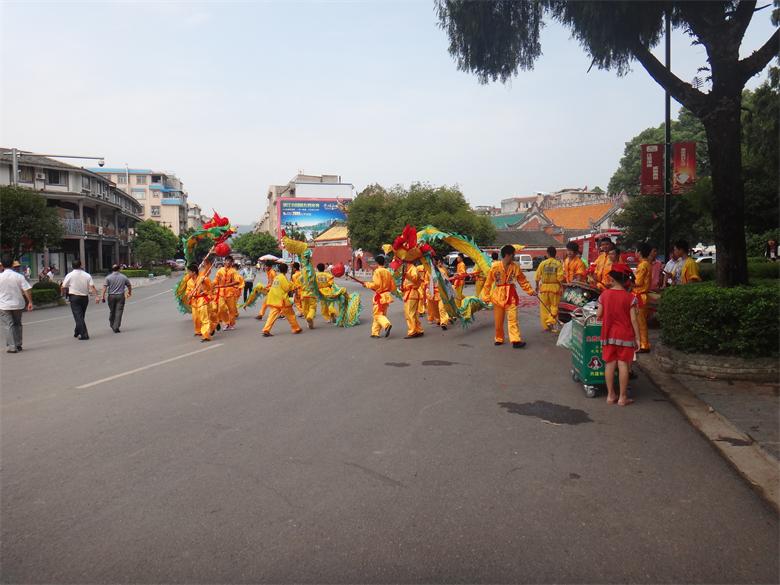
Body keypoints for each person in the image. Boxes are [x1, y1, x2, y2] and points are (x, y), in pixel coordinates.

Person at [596, 263, 640, 406]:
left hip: (608, 334)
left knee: (609, 364)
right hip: (625, 335)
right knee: (623, 365)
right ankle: (622, 397)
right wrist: (638, 338)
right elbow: (634, 319)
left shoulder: (604, 295)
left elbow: (599, 315)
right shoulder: (630, 298)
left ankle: (610, 395)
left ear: (613, 279)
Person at [483, 244, 536, 348]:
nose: (514, 257)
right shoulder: (495, 267)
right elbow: (488, 283)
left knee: (513, 319)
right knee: (498, 320)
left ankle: (515, 340)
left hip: (511, 295)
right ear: (507, 255)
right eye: (513, 255)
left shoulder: (515, 267)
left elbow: (522, 280)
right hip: (498, 296)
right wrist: (486, 296)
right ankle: (499, 338)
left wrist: (530, 291)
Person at [0, 260, 33, 353]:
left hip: (3, 305)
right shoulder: (19, 276)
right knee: (18, 324)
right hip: (18, 304)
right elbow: (26, 289)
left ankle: (12, 347)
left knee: (8, 325)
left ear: (2, 265)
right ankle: (18, 344)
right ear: (12, 265)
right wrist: (30, 302)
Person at [61, 260, 98, 341]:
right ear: (81, 265)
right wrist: (96, 296)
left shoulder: (69, 275)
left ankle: (84, 334)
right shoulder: (87, 275)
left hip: (74, 297)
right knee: (81, 315)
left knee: (78, 316)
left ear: (72, 266)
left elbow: (63, 286)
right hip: (84, 297)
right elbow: (92, 286)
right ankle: (77, 331)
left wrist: (63, 295)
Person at [261, 263, 302, 337]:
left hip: (274, 299)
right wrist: (293, 287)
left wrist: (292, 285)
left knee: (272, 315)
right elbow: (286, 288)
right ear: (286, 270)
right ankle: (296, 328)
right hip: (282, 300)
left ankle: (266, 330)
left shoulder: (277, 277)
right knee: (290, 314)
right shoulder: (283, 277)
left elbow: (287, 284)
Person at [362, 254, 395, 338]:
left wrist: (367, 284)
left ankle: (386, 324)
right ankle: (375, 332)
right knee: (381, 314)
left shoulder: (377, 271)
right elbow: (393, 286)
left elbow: (376, 284)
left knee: (377, 315)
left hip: (379, 296)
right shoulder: (388, 271)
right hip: (386, 295)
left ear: (377, 263)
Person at [535, 246, 564, 331]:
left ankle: (546, 326)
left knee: (544, 307)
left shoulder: (543, 263)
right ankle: (551, 320)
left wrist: (537, 287)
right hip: (554, 288)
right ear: (555, 254)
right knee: (554, 306)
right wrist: (562, 287)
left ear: (547, 254)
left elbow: (537, 277)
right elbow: (560, 278)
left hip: (544, 288)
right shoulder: (558, 264)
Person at [185, 263, 214, 342]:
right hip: (194, 302)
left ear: (193, 272)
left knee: (204, 318)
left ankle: (206, 336)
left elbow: (210, 287)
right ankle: (199, 331)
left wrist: (204, 282)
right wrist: (189, 295)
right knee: (196, 318)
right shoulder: (189, 282)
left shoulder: (203, 278)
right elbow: (187, 292)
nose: (188, 273)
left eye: (189, 272)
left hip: (202, 300)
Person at [101, 264, 132, 333]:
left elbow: (104, 287)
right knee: (119, 311)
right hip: (120, 296)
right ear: (119, 269)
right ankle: (116, 326)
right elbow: (129, 285)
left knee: (112, 311)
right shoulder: (124, 277)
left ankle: (112, 324)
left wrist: (102, 296)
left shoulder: (108, 277)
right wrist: (129, 292)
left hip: (111, 296)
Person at [215, 256, 243, 330]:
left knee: (232, 310)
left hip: (230, 292)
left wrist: (227, 285)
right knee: (221, 308)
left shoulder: (234, 271)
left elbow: (237, 281)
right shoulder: (220, 270)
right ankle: (226, 322)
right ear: (224, 261)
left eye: (230, 261)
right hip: (221, 292)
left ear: (232, 262)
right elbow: (216, 280)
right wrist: (212, 284)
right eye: (227, 261)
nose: (228, 262)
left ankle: (231, 324)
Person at [633, 244, 652, 352]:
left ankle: (644, 345)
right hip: (641, 295)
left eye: (636, 251)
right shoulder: (645, 264)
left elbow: (638, 282)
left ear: (639, 252)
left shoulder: (642, 265)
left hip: (640, 296)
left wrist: (629, 281)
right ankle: (641, 343)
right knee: (640, 321)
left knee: (640, 322)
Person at [400, 261, 424, 338]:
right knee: (413, 314)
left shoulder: (413, 268)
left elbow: (415, 278)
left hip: (412, 294)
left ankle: (413, 331)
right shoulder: (409, 269)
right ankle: (418, 329)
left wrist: (406, 275)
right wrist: (403, 287)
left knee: (410, 314)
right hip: (409, 293)